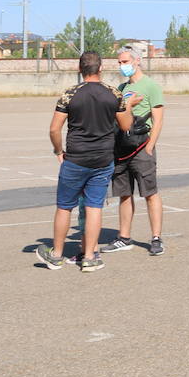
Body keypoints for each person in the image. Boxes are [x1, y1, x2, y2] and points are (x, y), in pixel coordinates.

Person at [38, 51, 138, 272]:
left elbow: (54, 129)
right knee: (94, 207)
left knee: (65, 207)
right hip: (103, 158)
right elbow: (125, 126)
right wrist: (128, 107)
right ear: (100, 68)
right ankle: (90, 256)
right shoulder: (113, 94)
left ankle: (56, 254)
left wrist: (58, 150)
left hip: (76, 157)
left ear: (79, 69)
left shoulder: (70, 94)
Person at [100, 46, 167, 256]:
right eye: (119, 62)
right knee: (124, 194)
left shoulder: (151, 87)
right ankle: (124, 237)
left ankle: (156, 238)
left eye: (124, 62)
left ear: (137, 61)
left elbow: (158, 119)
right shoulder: (120, 87)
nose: (122, 66)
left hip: (140, 147)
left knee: (150, 193)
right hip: (122, 148)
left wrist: (149, 147)